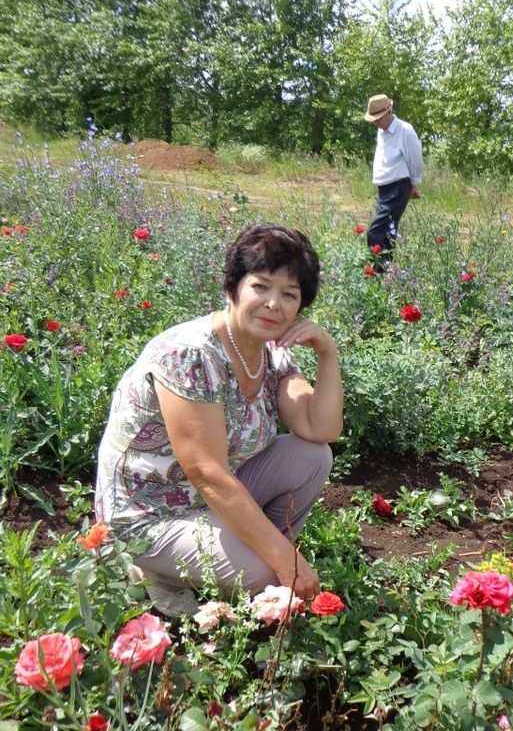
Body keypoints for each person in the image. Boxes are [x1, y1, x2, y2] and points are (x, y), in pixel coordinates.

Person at [94, 223, 343, 615]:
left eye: (289, 294)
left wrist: (328, 352)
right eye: (260, 286)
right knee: (266, 571)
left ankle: (245, 551)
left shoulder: (271, 354)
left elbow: (321, 428)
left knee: (313, 456)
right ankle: (153, 570)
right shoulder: (190, 355)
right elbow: (207, 472)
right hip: (150, 513)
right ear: (232, 288)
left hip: (208, 502)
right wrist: (282, 558)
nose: (273, 303)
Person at [364, 94, 423, 266]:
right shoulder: (381, 131)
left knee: (374, 233)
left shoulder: (405, 130)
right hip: (384, 190)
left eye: (378, 118)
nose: (375, 122)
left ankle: (378, 273)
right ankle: (388, 277)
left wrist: (414, 184)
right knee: (388, 234)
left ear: (388, 111)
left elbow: (415, 158)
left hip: (398, 188)